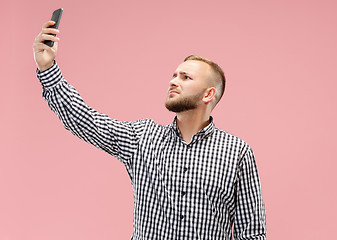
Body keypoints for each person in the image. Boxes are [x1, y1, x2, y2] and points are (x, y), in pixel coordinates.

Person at [33, 20, 267, 240]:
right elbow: (84, 120)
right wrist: (48, 69)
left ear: (208, 94)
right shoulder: (142, 138)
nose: (173, 81)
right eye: (174, 75)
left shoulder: (237, 152)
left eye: (185, 77)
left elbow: (253, 233)